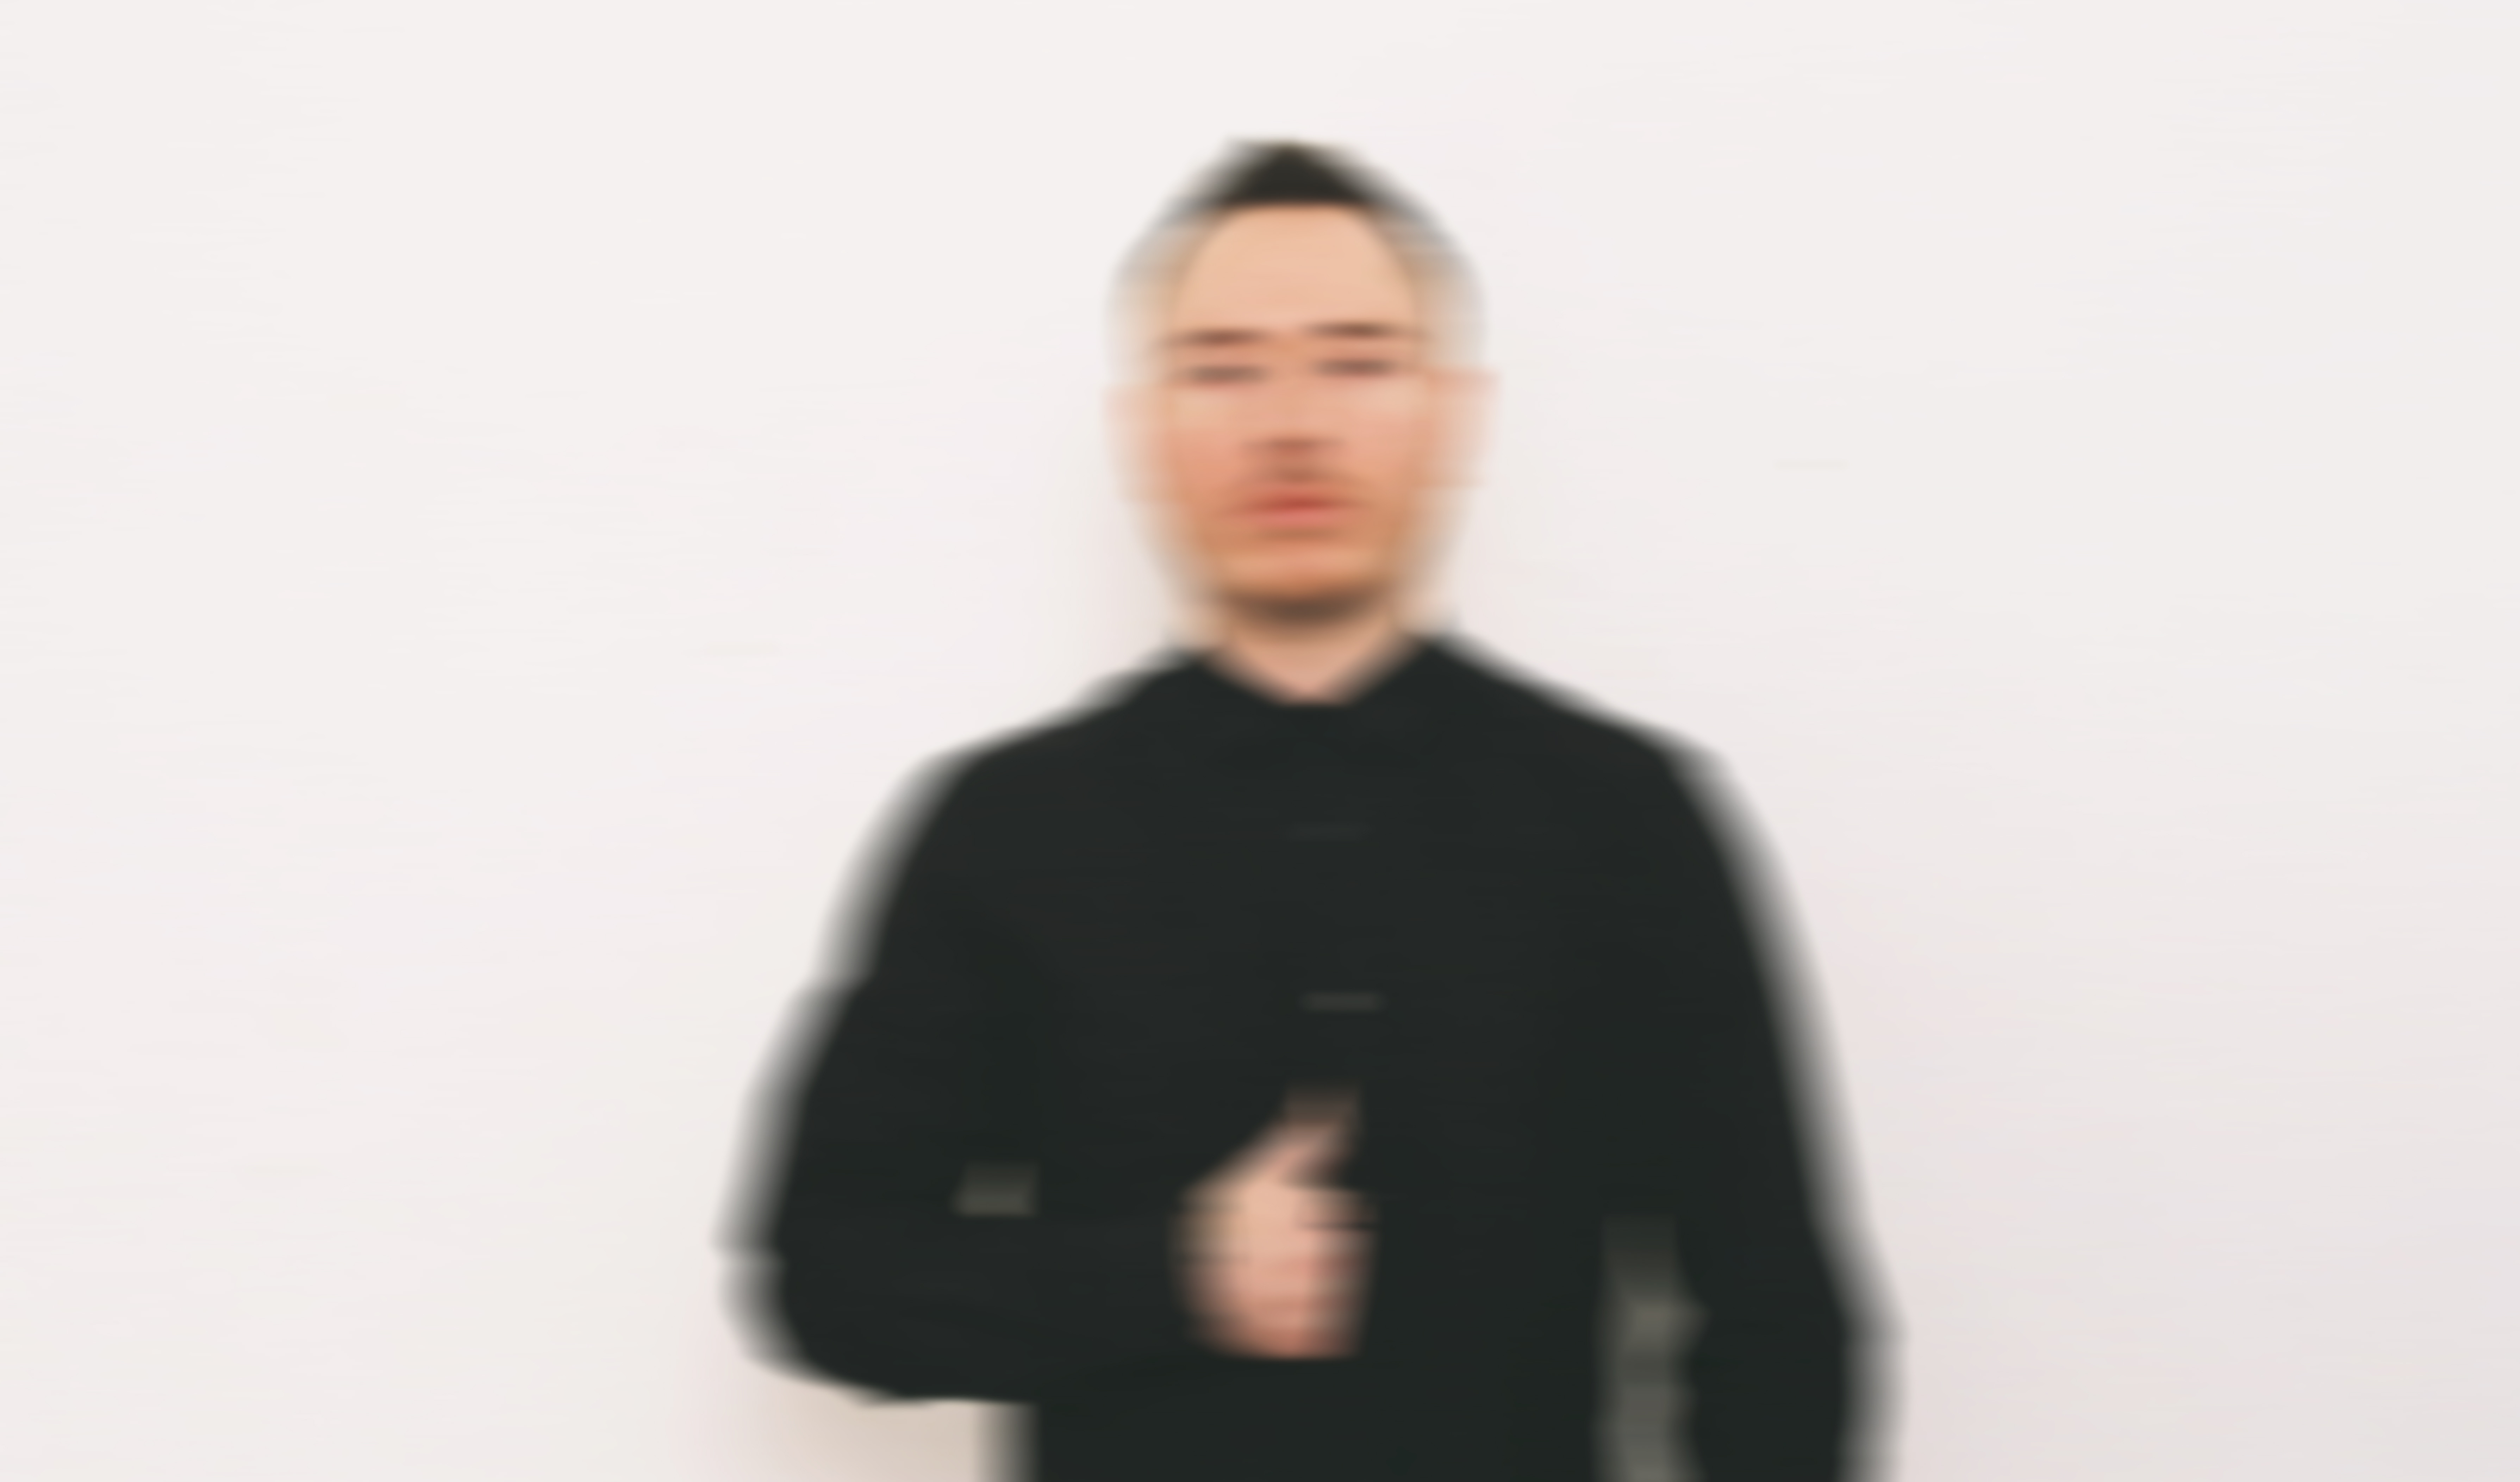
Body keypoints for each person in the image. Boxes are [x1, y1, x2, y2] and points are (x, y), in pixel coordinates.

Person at [736, 141, 1872, 1482]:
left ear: (1452, 411)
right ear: (1145, 426)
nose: (1292, 423)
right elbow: (829, 1275)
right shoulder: (1005, 830)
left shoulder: (1624, 822)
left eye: (1356, 360)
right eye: (1222, 367)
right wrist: (1166, 1275)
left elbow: (1777, 1325)